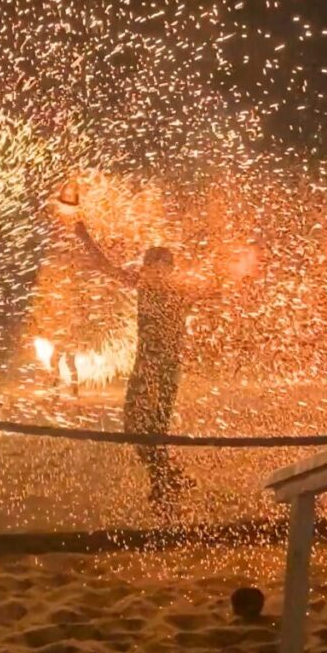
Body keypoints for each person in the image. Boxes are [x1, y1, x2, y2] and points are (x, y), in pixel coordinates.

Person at [72, 218, 195, 510]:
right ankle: (168, 480)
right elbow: (105, 267)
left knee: (153, 432)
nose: (151, 272)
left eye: (158, 267)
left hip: (164, 373)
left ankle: (165, 486)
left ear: (169, 270)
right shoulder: (143, 286)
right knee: (134, 429)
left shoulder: (180, 293)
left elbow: (219, 289)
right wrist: (84, 236)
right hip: (143, 370)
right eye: (148, 267)